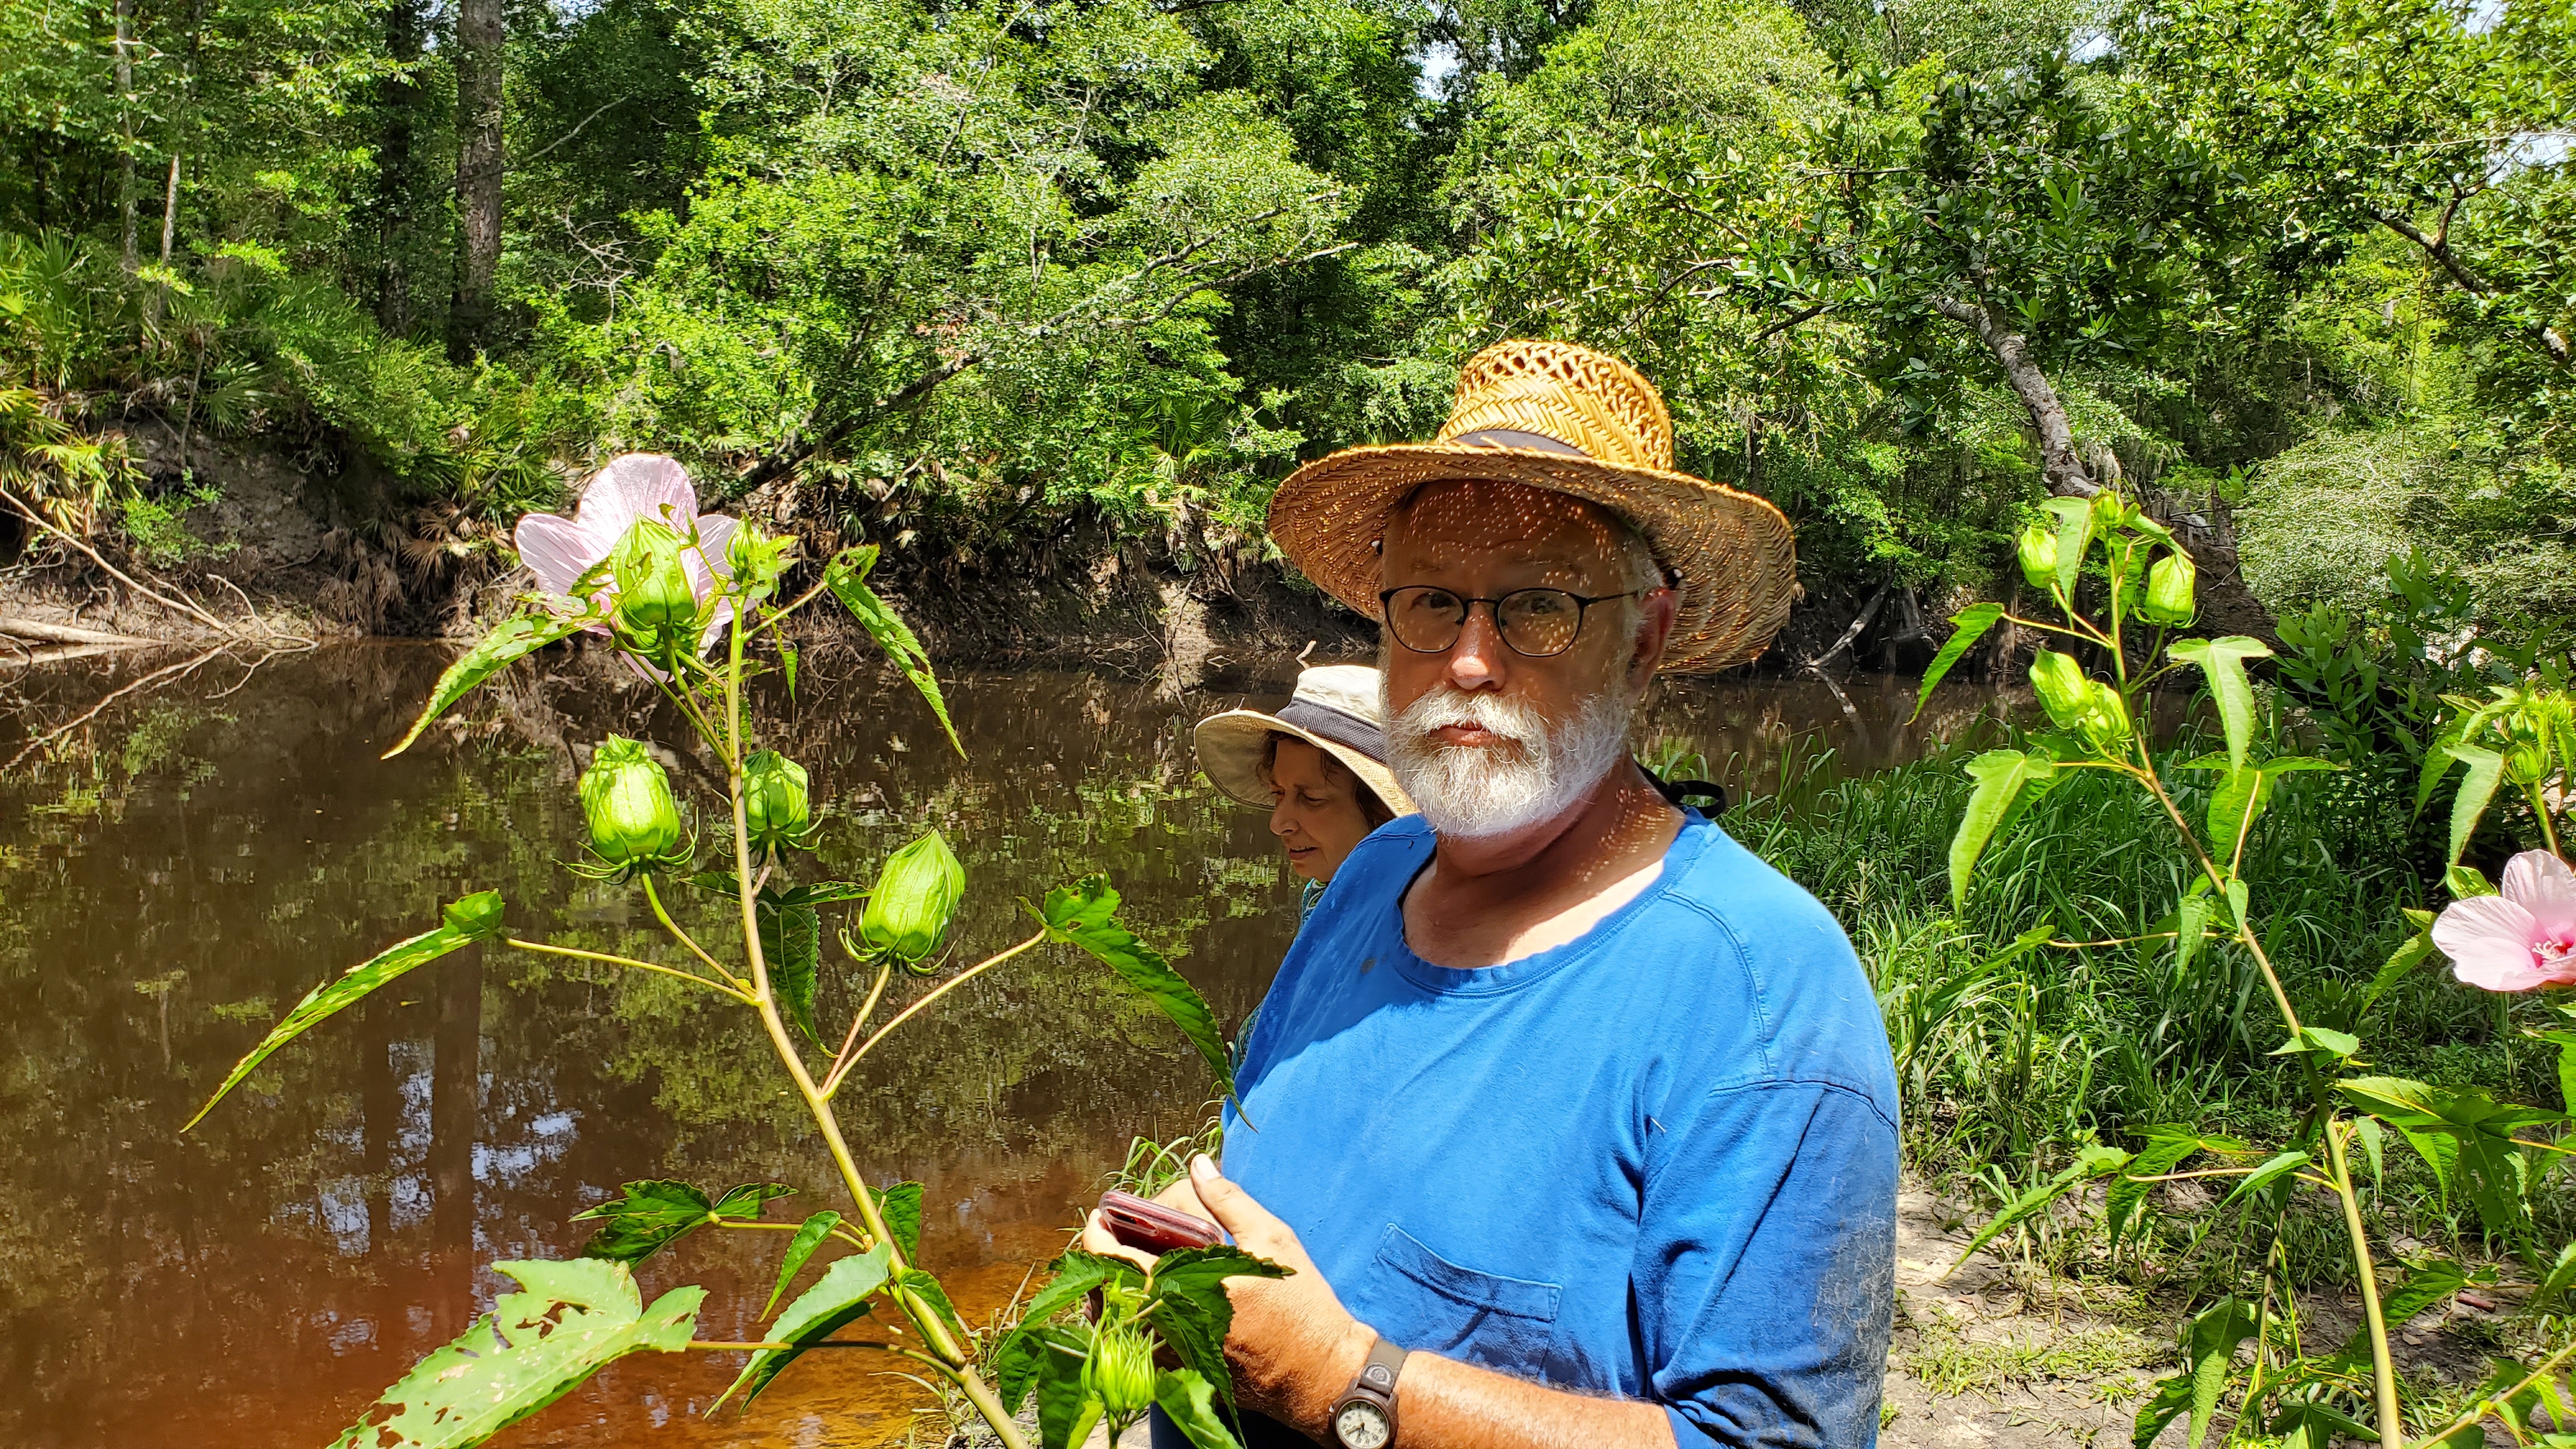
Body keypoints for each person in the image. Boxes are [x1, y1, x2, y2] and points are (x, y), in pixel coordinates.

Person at [1091, 339, 1899, 1449]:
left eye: (1537, 608)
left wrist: (1345, 1381)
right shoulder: (1372, 872)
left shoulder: (1759, 992)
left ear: (1643, 639)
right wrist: (1180, 1253)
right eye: (1430, 602)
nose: (1468, 660)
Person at [1195, 664, 1413, 910]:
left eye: (1311, 798)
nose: (1277, 824)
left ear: (1383, 810)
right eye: (1278, 793)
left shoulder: (1410, 928)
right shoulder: (1323, 895)